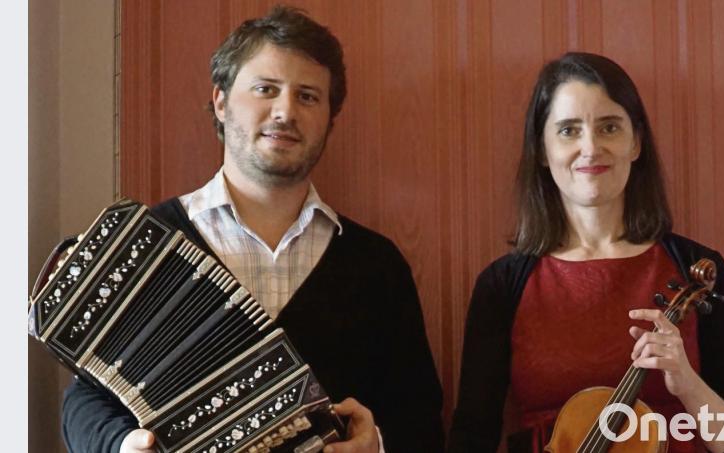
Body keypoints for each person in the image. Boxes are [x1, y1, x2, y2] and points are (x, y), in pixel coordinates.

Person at [61, 6, 444, 453]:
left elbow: (420, 418)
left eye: (307, 96)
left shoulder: (376, 264)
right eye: (266, 89)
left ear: (329, 120)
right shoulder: (147, 243)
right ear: (221, 102)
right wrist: (121, 444)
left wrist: (376, 444)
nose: (285, 111)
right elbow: (84, 399)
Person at [446, 52, 724, 453]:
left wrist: (688, 384)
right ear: (542, 150)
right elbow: (472, 437)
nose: (590, 148)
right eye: (568, 130)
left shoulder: (695, 270)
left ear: (636, 143)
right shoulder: (504, 285)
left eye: (609, 127)